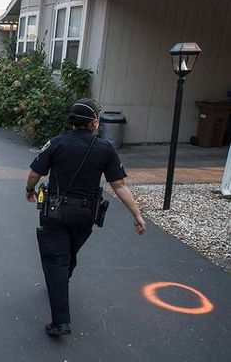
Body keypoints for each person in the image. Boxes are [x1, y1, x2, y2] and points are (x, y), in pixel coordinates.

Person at [25, 98, 147, 337]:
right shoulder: (105, 148)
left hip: (56, 212)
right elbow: (119, 186)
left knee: (57, 260)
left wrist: (30, 190)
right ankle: (58, 282)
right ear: (93, 122)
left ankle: (60, 320)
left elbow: (34, 173)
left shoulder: (57, 144)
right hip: (85, 216)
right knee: (68, 256)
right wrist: (137, 214)